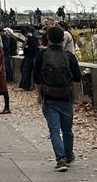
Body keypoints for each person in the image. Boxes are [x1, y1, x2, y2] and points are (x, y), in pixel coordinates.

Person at [33, 25, 81, 171]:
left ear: (48, 39)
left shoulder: (42, 55)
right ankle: (69, 154)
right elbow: (78, 78)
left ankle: (60, 159)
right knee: (67, 130)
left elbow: (36, 78)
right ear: (62, 39)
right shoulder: (69, 56)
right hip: (66, 97)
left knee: (54, 130)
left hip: (49, 97)